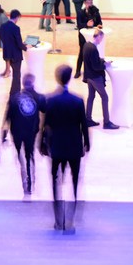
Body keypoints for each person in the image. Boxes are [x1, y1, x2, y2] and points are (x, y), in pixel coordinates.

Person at [40, 64, 90, 234]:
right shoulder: (77, 100)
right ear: (69, 79)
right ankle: (70, 222)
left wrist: (41, 144)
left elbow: (45, 124)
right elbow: (83, 124)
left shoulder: (51, 100)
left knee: (56, 182)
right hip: (74, 146)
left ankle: (58, 220)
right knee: (74, 182)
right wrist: (87, 143)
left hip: (57, 146)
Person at [3, 73, 46, 196]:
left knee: (20, 153)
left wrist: (3, 134)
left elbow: (7, 116)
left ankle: (24, 171)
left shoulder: (14, 97)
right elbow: (44, 109)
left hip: (16, 131)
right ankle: (30, 177)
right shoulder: (38, 97)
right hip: (31, 131)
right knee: (29, 153)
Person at [82, 28, 118, 129]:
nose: (101, 41)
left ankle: (88, 119)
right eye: (101, 38)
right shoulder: (93, 49)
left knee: (91, 97)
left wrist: (102, 61)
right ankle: (106, 122)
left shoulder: (86, 45)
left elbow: (92, 61)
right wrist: (105, 65)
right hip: (95, 77)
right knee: (105, 97)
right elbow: (96, 66)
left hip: (88, 76)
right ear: (98, 36)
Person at [1, 9, 28, 97]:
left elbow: (3, 38)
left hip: (7, 53)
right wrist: (26, 47)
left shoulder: (3, 26)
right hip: (15, 54)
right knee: (16, 75)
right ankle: (15, 93)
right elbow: (19, 44)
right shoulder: (16, 28)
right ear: (17, 17)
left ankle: (14, 92)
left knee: (15, 74)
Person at [75, 0, 102, 79]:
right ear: (84, 3)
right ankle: (78, 71)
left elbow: (100, 22)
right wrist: (86, 25)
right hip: (83, 37)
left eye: (91, 3)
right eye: (88, 3)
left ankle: (92, 70)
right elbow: (79, 25)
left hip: (93, 36)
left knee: (94, 53)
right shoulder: (80, 12)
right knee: (81, 53)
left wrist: (99, 25)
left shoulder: (95, 11)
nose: (89, 5)